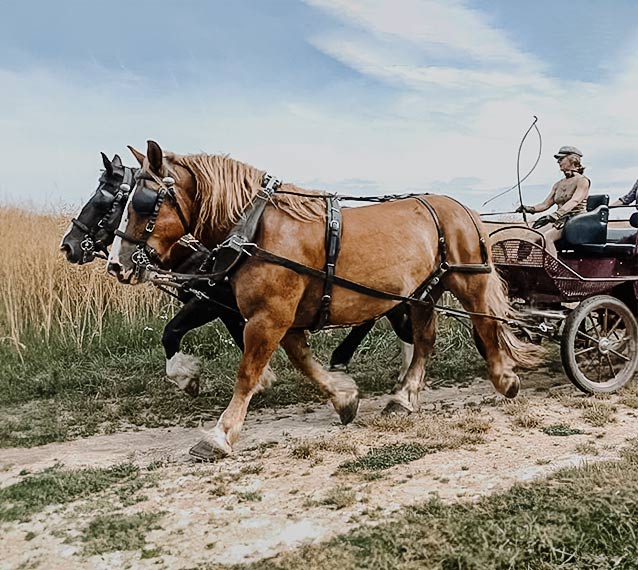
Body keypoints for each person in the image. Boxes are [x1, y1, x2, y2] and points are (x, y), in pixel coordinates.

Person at [516, 146, 590, 257]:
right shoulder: (558, 184)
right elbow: (545, 204)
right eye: (558, 160)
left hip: (575, 221)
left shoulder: (582, 181)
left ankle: (553, 269)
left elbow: (575, 200)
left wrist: (556, 215)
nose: (558, 162)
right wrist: (529, 209)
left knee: (547, 237)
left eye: (561, 159)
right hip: (559, 221)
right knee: (530, 236)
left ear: (573, 159)